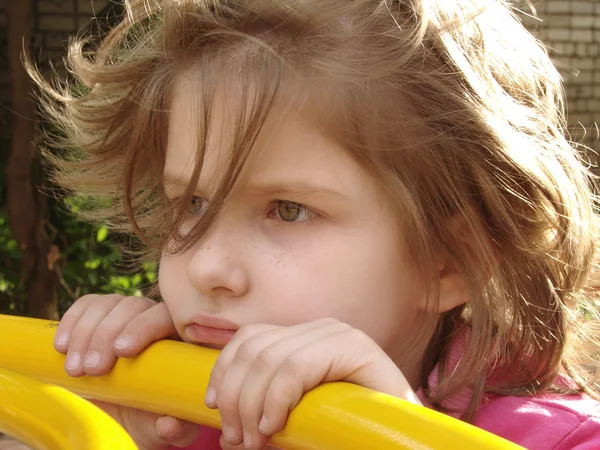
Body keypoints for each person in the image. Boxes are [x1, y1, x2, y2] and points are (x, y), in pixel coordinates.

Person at [6, 0, 598, 449]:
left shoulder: (565, 441)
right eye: (190, 204)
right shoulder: (178, 420)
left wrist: (385, 431)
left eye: (288, 210)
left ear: (449, 260)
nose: (208, 267)